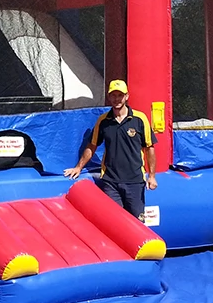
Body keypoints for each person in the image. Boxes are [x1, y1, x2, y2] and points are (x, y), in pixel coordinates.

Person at [64, 79, 157, 219]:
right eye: (113, 95)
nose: (117, 99)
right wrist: (78, 167)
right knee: (115, 221)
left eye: (120, 95)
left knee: (136, 224)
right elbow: (92, 146)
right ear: (109, 97)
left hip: (135, 181)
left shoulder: (140, 119)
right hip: (111, 182)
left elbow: (149, 148)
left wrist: (152, 176)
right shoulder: (103, 121)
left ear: (127, 96)